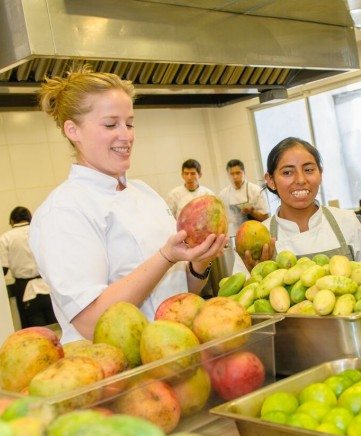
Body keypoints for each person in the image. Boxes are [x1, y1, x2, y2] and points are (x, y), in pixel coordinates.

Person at [30, 67, 227, 343]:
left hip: (174, 347)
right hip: (115, 364)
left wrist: (198, 263)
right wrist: (166, 257)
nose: (126, 135)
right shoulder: (63, 211)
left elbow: (179, 295)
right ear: (73, 130)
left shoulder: (145, 193)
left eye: (130, 123)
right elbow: (92, 322)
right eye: (111, 125)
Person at [234, 137, 361, 272]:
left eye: (308, 170)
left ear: (320, 174)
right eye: (287, 172)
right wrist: (257, 274)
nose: (300, 180)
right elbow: (240, 285)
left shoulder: (349, 222)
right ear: (270, 180)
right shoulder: (255, 238)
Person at [1, 207, 56, 328]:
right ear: (30, 218)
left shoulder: (6, 238)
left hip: (24, 289)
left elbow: (3, 270)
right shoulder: (41, 232)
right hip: (48, 286)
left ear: (12, 221)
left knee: (35, 331)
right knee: (57, 325)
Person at [219, 159, 269, 237]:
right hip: (234, 235)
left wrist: (252, 212)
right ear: (228, 175)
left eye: (238, 173)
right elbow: (221, 220)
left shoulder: (255, 190)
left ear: (244, 172)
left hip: (255, 233)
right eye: (231, 174)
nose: (235, 177)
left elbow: (266, 218)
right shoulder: (223, 194)